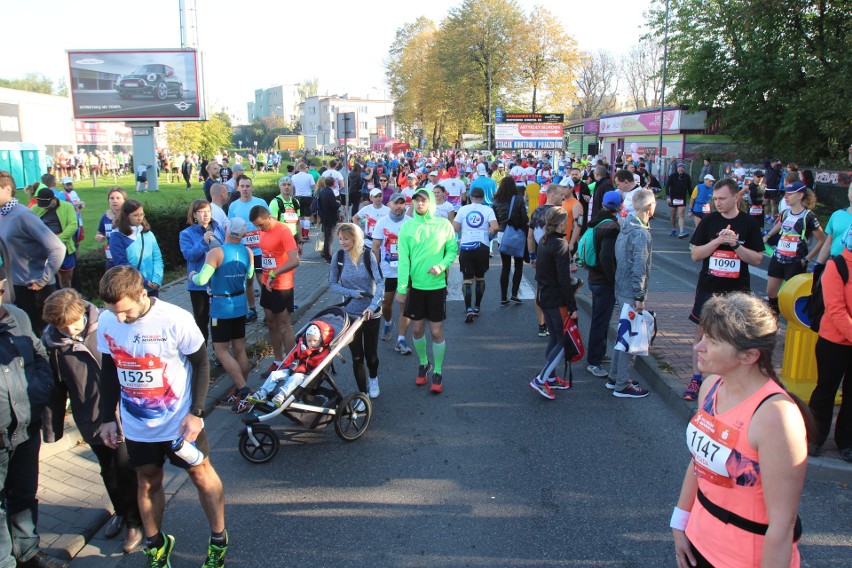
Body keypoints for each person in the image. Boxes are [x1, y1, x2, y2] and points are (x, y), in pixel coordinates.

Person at [96, 266, 227, 568]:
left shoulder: (174, 319)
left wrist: (197, 413)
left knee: (202, 475)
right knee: (146, 482)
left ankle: (218, 539)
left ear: (142, 293)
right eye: (113, 312)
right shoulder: (107, 320)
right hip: (138, 426)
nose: (120, 319)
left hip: (179, 422)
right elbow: (109, 371)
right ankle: (156, 546)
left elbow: (202, 364)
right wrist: (106, 417)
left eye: (125, 311)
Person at [672, 293, 811, 568]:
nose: (699, 347)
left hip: (745, 558)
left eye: (712, 341)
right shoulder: (712, 386)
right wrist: (680, 521)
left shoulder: (776, 417)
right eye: (702, 337)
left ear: (749, 355)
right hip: (697, 543)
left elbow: (782, 527)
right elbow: (700, 462)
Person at [40, 289, 143, 553]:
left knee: (125, 466)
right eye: (62, 327)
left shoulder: (108, 324)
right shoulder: (53, 343)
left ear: (83, 312)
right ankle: (120, 511)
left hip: (124, 409)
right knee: (107, 468)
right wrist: (52, 429)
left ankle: (135, 521)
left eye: (73, 324)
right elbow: (56, 388)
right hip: (91, 416)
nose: (69, 331)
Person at [0, 261, 68, 568]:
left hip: (26, 427)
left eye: (1, 289)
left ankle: (28, 552)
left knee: (25, 494)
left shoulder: (18, 317)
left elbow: (40, 356)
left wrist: (38, 395)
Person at [682, 178, 766, 401]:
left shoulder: (749, 223)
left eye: (722, 198)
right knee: (702, 333)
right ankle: (696, 379)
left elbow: (757, 259)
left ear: (736, 197)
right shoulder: (709, 221)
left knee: (734, 337)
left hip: (737, 291)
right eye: (715, 199)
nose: (717, 203)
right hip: (709, 288)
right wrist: (718, 242)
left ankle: (728, 380)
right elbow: (695, 255)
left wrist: (736, 245)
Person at [396, 187, 458, 393]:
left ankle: (438, 371)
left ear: (431, 202)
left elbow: (452, 250)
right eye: (416, 201)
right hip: (416, 287)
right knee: (416, 329)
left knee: (436, 331)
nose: (419, 204)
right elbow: (403, 260)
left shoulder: (444, 224)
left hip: (436, 286)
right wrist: (402, 288)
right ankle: (424, 364)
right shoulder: (407, 227)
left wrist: (441, 266)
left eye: (423, 200)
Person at [190, 218, 254, 413]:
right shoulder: (248, 251)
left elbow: (201, 280)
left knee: (221, 351)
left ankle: (243, 390)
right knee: (239, 348)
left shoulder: (216, 253)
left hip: (221, 306)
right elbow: (250, 275)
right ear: (243, 234)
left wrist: (192, 274)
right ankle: (240, 386)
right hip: (240, 304)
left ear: (226, 229)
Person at [809, 223, 852, 462]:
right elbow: (835, 309)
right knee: (825, 391)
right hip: (833, 341)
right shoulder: (837, 265)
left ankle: (846, 441)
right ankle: (815, 437)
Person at [329, 223, 384, 398]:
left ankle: (373, 379)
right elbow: (332, 283)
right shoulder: (338, 257)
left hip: (370, 313)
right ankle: (363, 393)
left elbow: (380, 282)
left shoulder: (368, 256)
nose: (342, 242)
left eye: (346, 238)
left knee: (371, 354)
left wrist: (372, 306)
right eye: (339, 239)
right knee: (357, 356)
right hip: (350, 314)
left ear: (355, 237)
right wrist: (352, 293)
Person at [610, 188, 656, 398]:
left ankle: (614, 377)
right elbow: (639, 265)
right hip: (630, 290)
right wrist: (639, 296)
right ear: (649, 207)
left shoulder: (626, 225)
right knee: (631, 339)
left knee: (623, 336)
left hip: (621, 286)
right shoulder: (640, 232)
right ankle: (623, 384)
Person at [528, 207, 578, 400]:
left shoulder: (544, 240)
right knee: (564, 341)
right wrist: (572, 306)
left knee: (554, 338)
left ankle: (550, 377)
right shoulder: (560, 243)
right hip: (556, 298)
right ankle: (541, 379)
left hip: (544, 294)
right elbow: (563, 279)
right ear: (562, 223)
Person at [250, 206, 299, 379]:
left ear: (269, 217)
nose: (260, 229)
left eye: (262, 225)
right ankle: (278, 362)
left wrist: (274, 274)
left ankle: (291, 364)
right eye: (257, 226)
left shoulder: (283, 231)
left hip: (282, 284)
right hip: (267, 283)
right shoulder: (263, 231)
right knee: (271, 322)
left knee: (284, 324)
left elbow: (295, 260)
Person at [762, 182, 825, 313]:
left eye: (790, 194)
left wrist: (807, 259)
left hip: (795, 261)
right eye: (785, 193)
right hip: (778, 258)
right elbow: (780, 225)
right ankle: (773, 321)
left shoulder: (809, 216)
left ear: (800, 195)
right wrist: (767, 236)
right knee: (771, 293)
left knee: (791, 295)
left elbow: (822, 240)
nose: (786, 196)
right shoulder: (785, 213)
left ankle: (790, 323)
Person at [585, 191, 623, 379]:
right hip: (602, 280)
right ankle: (593, 361)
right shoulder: (611, 227)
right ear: (619, 206)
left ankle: (599, 353)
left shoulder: (597, 220)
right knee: (600, 321)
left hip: (594, 276)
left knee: (601, 319)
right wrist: (613, 278)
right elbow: (606, 256)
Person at [371, 192, 414, 354]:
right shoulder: (382, 223)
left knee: (405, 305)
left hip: (406, 271)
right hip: (388, 271)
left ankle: (401, 340)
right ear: (389, 204)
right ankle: (388, 323)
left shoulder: (411, 223)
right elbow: (375, 247)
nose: (398, 206)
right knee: (386, 304)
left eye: (401, 203)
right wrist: (375, 269)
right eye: (395, 203)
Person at [180, 199, 225, 350]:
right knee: (201, 320)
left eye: (208, 211)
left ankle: (219, 352)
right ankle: (202, 353)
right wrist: (203, 242)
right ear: (194, 215)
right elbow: (189, 255)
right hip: (198, 285)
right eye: (201, 212)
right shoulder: (186, 234)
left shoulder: (218, 229)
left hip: (217, 282)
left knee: (218, 320)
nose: (205, 215)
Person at [227, 175, 269, 323]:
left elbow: (269, 222)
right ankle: (252, 310)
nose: (245, 189)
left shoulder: (260, 202)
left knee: (262, 280)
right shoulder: (233, 206)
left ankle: (267, 311)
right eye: (242, 186)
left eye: (247, 186)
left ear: (252, 187)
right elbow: (230, 228)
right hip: (243, 250)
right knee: (247, 281)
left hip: (260, 250)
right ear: (238, 188)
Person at [453, 186, 498, 322]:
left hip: (466, 246)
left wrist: (462, 228)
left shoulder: (463, 209)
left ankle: (468, 309)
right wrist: (489, 237)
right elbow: (495, 227)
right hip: (482, 246)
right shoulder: (488, 210)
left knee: (467, 279)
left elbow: (454, 228)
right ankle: (477, 307)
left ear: (471, 197)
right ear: (483, 198)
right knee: (479, 278)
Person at [108, 199, 164, 298]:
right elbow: (122, 263)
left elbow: (157, 258)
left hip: (152, 286)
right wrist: (143, 281)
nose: (139, 218)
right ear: (126, 216)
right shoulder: (117, 236)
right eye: (135, 215)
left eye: (141, 214)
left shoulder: (148, 234)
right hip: (131, 287)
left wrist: (157, 279)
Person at [29, 188, 78, 290]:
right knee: (44, 279)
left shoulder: (67, 206)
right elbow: (28, 224)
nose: (44, 208)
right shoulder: (35, 208)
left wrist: (56, 240)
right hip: (43, 248)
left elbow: (73, 225)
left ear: (54, 199)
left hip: (64, 246)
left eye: (47, 205)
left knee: (65, 280)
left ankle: (66, 298)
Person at [492, 177, 528, 306]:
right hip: (516, 234)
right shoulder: (518, 199)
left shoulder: (496, 200)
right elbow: (524, 218)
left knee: (505, 266)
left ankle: (503, 297)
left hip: (502, 235)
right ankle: (514, 294)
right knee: (518, 264)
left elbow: (495, 218)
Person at [816, 181, 852, 265]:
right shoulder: (837, 215)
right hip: (834, 264)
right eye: (851, 188)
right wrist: (817, 266)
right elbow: (828, 244)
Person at [269, 176, 304, 254]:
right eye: (284, 185)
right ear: (280, 187)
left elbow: (298, 223)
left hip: (293, 237)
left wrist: (300, 241)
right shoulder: (275, 203)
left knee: (294, 262)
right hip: (281, 239)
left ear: (292, 186)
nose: (286, 187)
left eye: (288, 184)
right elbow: (272, 225)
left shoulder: (295, 202)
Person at [95, 187, 127, 269]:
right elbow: (100, 232)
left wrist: (114, 218)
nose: (114, 201)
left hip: (125, 258)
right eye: (111, 198)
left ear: (124, 200)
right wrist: (99, 237)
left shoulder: (128, 216)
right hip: (110, 260)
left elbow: (126, 232)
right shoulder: (105, 217)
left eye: (118, 198)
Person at [316, 176, 341, 263]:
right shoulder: (330, 193)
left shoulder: (322, 191)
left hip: (324, 216)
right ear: (333, 183)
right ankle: (328, 256)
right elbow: (333, 206)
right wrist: (338, 203)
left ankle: (327, 254)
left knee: (327, 236)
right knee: (329, 237)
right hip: (330, 217)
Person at [291, 162, 315, 242]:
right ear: (305, 168)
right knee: (307, 216)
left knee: (300, 216)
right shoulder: (309, 176)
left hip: (297, 197)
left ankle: (301, 234)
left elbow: (292, 187)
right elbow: (313, 186)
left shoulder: (294, 177)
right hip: (307, 197)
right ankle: (306, 234)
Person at [666, 162, 691, 238]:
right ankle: (673, 229)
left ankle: (682, 231)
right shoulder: (673, 176)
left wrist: (692, 198)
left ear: (684, 169)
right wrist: (668, 196)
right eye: (679, 167)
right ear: (677, 169)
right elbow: (667, 186)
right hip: (673, 198)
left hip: (682, 198)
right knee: (673, 214)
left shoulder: (687, 177)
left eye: (682, 167)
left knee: (681, 214)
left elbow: (689, 188)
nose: (681, 169)